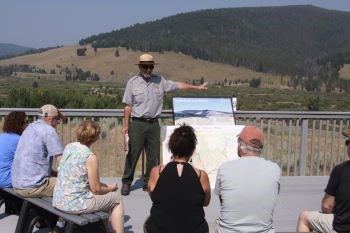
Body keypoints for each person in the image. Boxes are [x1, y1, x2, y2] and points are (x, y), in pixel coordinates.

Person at [121, 53, 209, 195]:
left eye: (150, 66)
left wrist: (197, 88)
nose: (148, 69)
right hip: (137, 124)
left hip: (154, 124)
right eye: (145, 66)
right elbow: (127, 106)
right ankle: (126, 182)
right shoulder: (132, 83)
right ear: (140, 67)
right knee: (132, 153)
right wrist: (126, 126)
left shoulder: (160, 81)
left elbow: (178, 85)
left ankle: (148, 182)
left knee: (153, 156)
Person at [53, 120, 124, 233]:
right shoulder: (90, 157)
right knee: (116, 198)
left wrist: (106, 188)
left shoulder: (69, 147)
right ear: (95, 138)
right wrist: (111, 188)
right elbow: (96, 189)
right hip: (74, 205)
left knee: (106, 195)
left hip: (58, 200)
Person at [144, 124, 211, 233]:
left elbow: (155, 197)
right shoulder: (201, 176)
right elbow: (205, 203)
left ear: (171, 147)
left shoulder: (156, 172)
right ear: (192, 149)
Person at [215, 125, 281, 233]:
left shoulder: (225, 168)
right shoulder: (275, 169)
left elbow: (223, 202)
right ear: (260, 148)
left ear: (240, 146)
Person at [296, 128, 350, 233]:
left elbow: (327, 206)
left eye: (348, 141)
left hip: (343, 228)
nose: (347, 145)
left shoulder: (341, 169)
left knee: (304, 218)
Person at [11, 104, 64, 198]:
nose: (57, 123)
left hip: (17, 184)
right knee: (74, 184)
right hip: (33, 187)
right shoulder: (49, 131)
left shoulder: (29, 127)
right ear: (51, 119)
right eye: (57, 120)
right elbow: (61, 160)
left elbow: (35, 159)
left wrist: (53, 172)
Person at [0, 111, 27, 214]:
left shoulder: (1, 136)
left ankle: (11, 207)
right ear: (20, 124)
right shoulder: (20, 140)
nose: (27, 125)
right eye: (25, 122)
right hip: (6, 180)